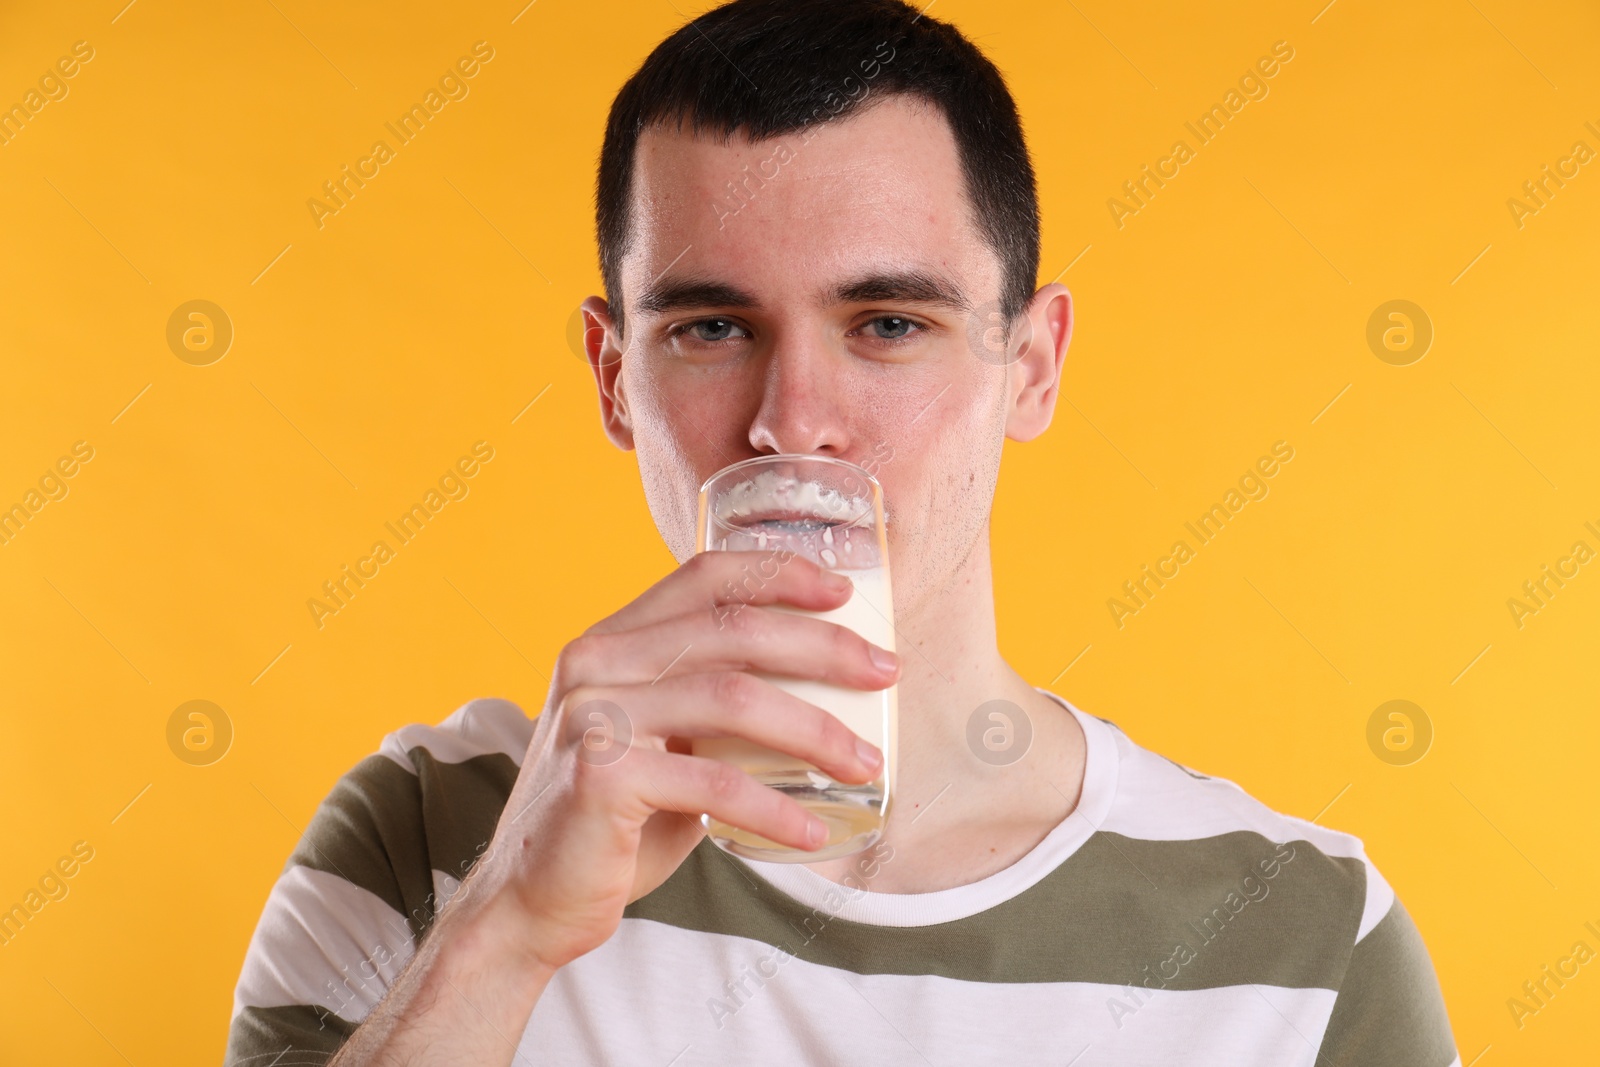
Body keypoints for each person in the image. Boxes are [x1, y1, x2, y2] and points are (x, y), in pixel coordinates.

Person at [225, 0, 1460, 1062]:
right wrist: (503, 933)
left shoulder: (1307, 939)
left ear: (1030, 367)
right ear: (613, 378)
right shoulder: (426, 837)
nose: (792, 424)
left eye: (884, 324)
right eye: (711, 328)